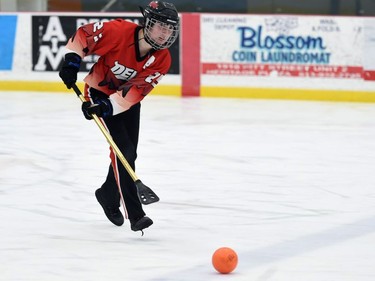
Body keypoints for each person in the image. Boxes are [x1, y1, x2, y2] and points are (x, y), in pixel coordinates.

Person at [59, 1, 180, 233]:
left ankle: (107, 194)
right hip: (99, 90)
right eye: (161, 27)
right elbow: (84, 36)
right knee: (124, 151)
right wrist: (72, 63)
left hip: (125, 103)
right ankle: (135, 215)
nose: (165, 35)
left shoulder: (163, 59)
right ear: (149, 23)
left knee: (127, 152)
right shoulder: (119, 31)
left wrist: (106, 108)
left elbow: (133, 93)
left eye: (170, 30)